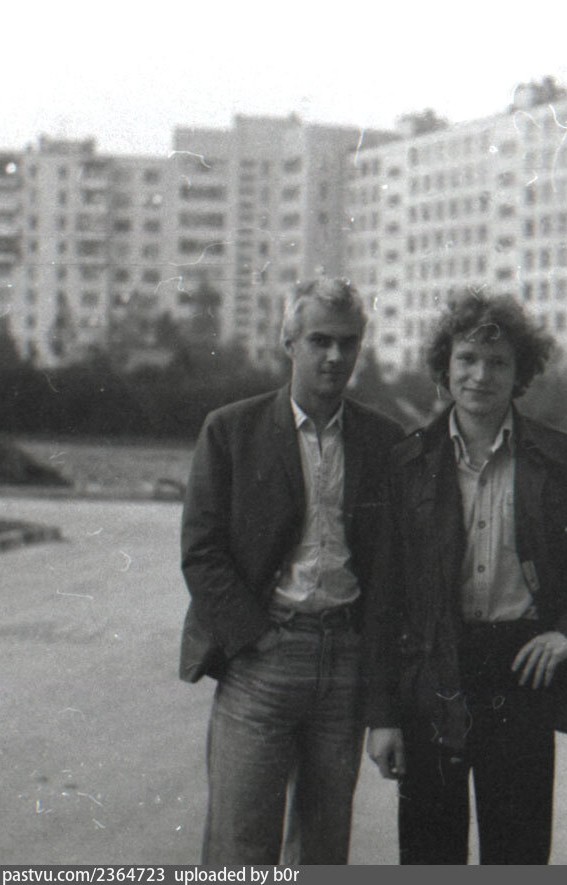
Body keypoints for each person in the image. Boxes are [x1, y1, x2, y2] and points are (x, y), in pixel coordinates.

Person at [371, 291, 567, 864]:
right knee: (429, 854)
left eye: (498, 362)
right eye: (467, 359)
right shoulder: (408, 464)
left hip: (520, 677)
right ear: (444, 366)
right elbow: (385, 598)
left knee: (519, 854)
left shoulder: (562, 460)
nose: (480, 375)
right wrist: (382, 717)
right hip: (434, 673)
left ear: (520, 372)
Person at [179, 278, 404, 864]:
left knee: (324, 851)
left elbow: (389, 580)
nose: (334, 356)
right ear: (289, 341)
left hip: (345, 663)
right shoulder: (232, 430)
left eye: (348, 342)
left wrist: (384, 705)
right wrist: (255, 637)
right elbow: (202, 551)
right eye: (319, 340)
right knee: (240, 846)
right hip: (264, 659)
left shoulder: (384, 441)